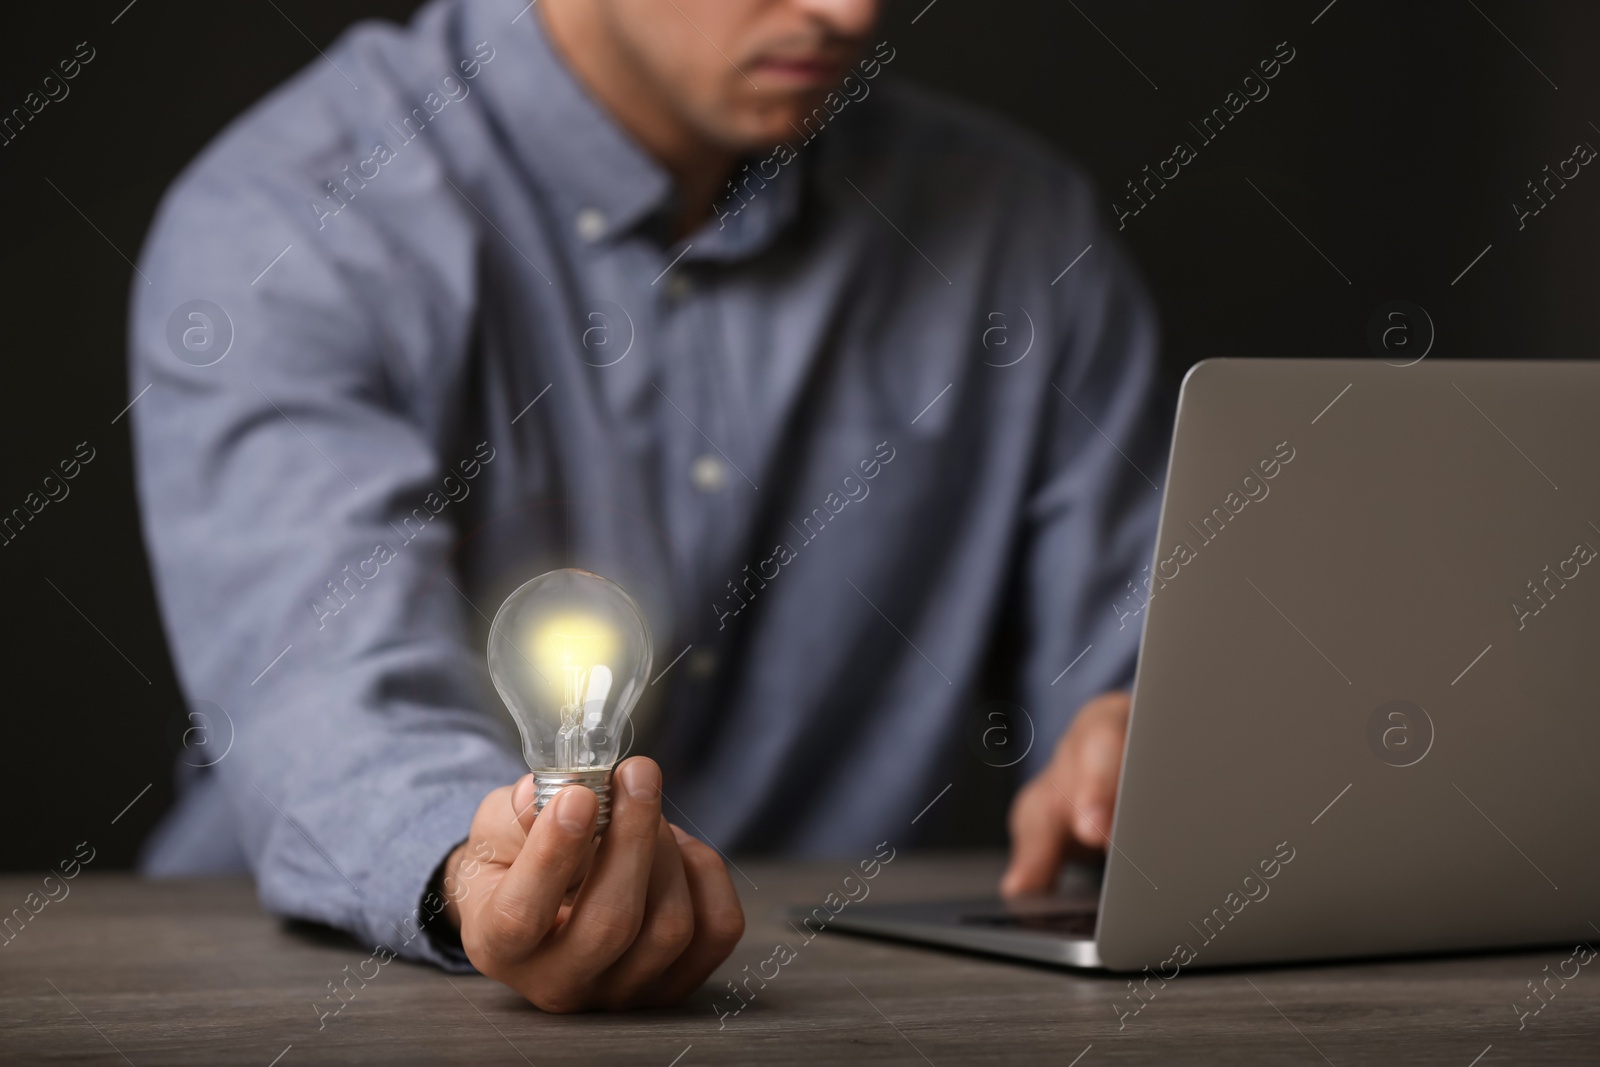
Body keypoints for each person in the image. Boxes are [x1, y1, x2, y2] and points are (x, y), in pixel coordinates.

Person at [129, 0, 1166, 1012]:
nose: (847, 12)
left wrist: (1138, 743)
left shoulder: (1017, 229)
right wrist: (483, 871)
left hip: (847, 1004)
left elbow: (1126, 662)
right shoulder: (289, 216)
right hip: (324, 996)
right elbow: (331, 694)